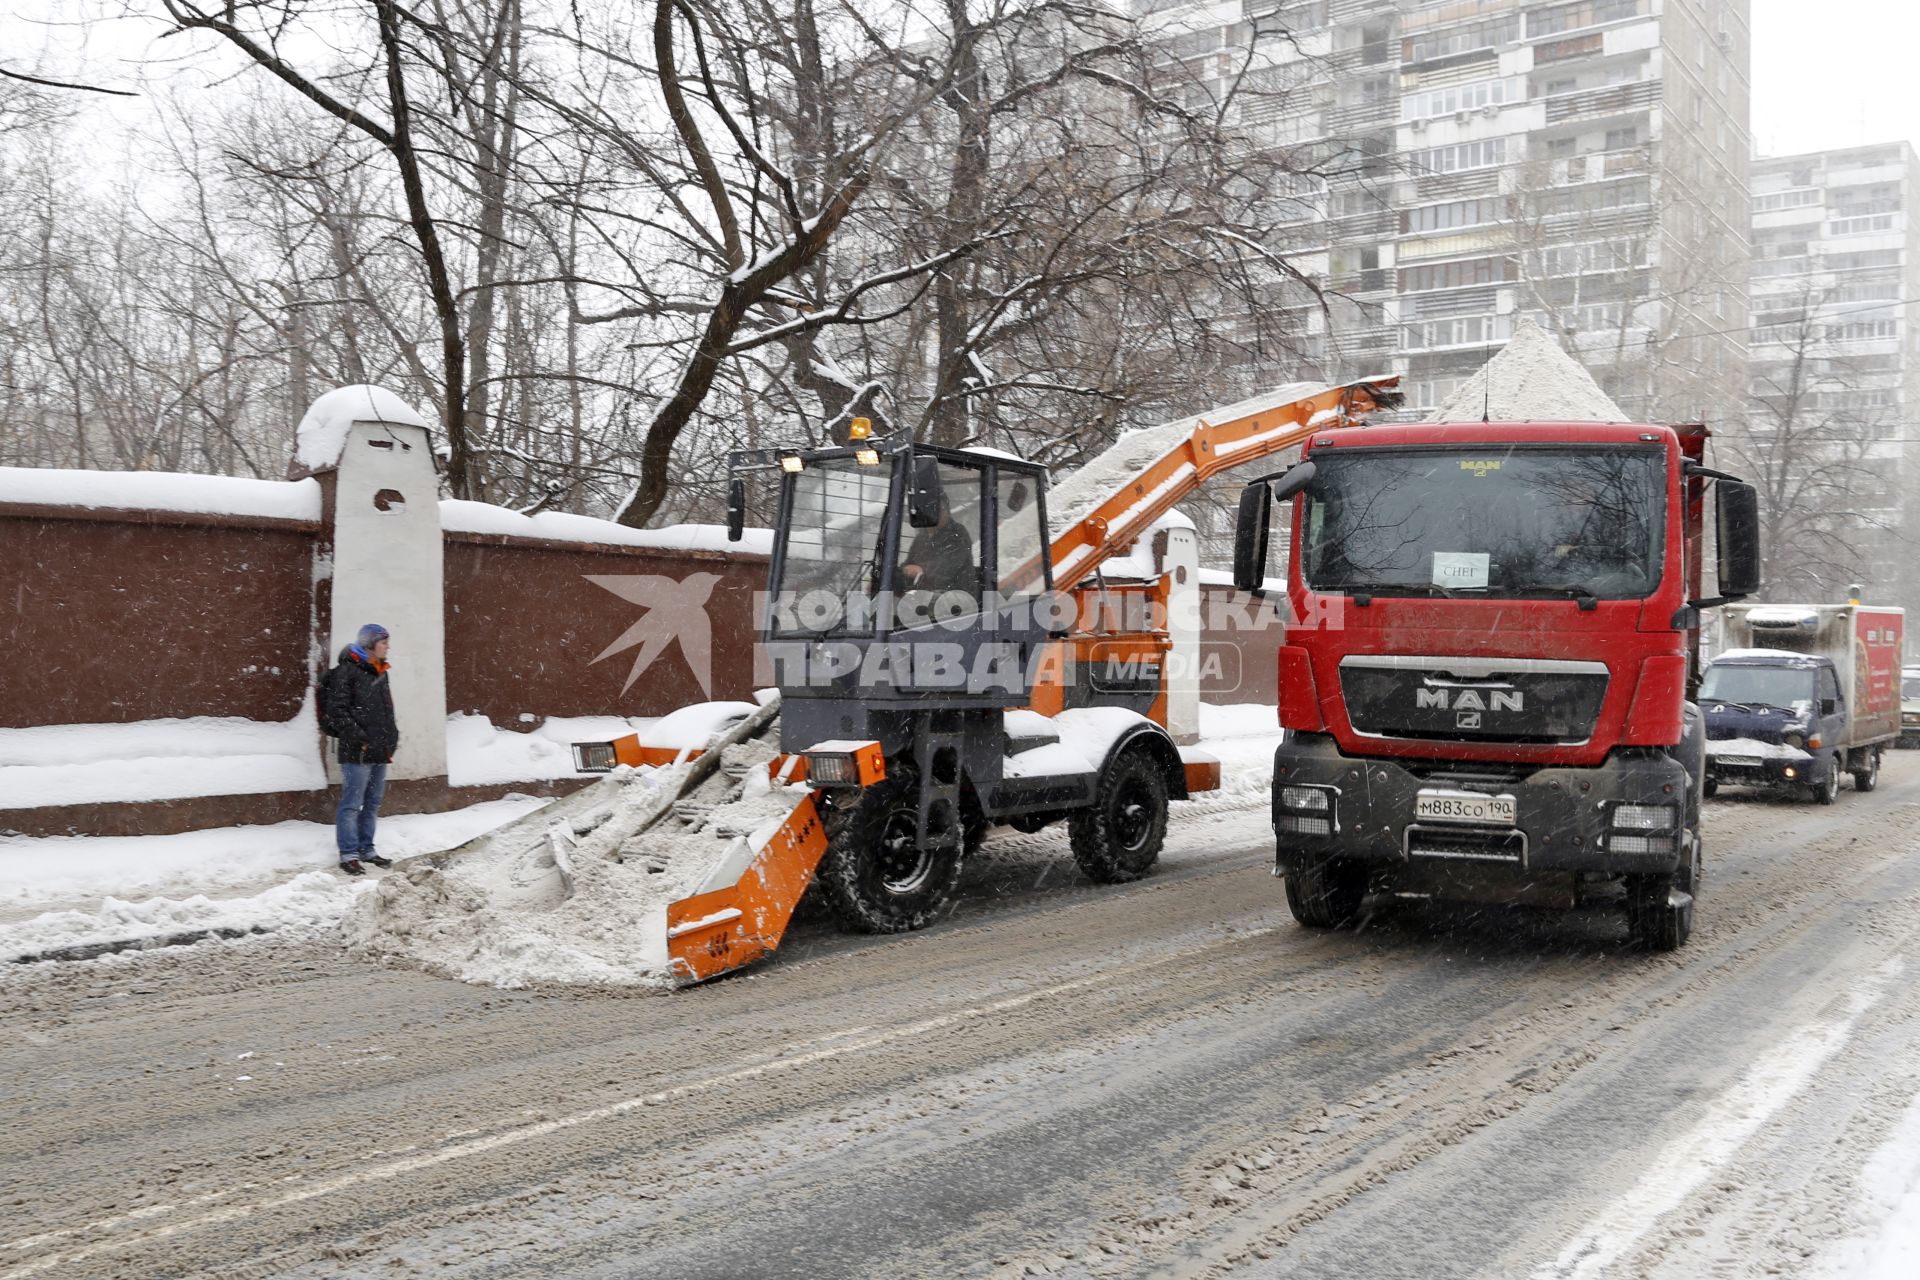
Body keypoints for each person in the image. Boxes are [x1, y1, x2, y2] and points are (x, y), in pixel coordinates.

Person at [326, 623, 400, 876]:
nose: (387, 646)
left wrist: (392, 736)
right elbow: (337, 711)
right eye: (383, 642)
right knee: (352, 803)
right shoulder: (347, 671)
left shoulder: (381, 672)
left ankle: (367, 849)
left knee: (372, 803)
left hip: (380, 748)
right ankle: (348, 854)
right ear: (369, 644)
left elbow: (386, 709)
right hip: (357, 751)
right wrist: (360, 737)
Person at [900, 497, 976, 597]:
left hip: (953, 599)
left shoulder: (957, 533)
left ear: (945, 512)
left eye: (936, 510)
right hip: (922, 596)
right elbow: (908, 565)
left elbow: (946, 571)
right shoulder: (922, 537)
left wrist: (920, 572)